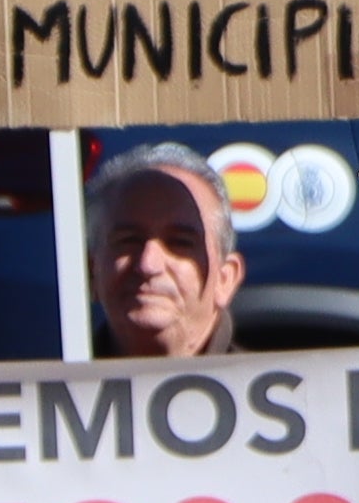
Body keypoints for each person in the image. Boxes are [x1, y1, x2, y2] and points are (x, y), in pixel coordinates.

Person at [85, 147, 247, 362]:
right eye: (128, 240)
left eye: (179, 243)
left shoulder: (276, 394)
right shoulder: (47, 391)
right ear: (91, 272)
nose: (148, 265)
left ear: (225, 279)